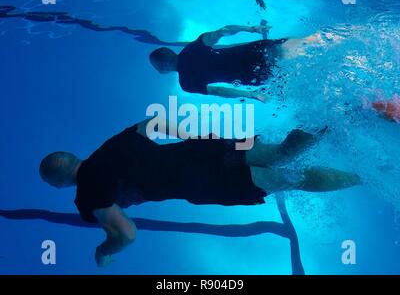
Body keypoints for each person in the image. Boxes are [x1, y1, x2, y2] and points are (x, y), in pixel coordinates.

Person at [39, 118, 361, 267]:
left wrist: (105, 250)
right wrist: (195, 136)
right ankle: (334, 118)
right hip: (205, 149)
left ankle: (361, 177)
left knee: (290, 179)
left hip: (204, 183)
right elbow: (152, 122)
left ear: (58, 182)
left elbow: (128, 233)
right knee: (281, 152)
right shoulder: (110, 144)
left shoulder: (86, 198)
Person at [149, 23, 328, 102]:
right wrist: (251, 29)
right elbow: (223, 31)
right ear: (171, 52)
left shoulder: (186, 84)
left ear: (163, 67)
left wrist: (251, 95)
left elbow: (219, 91)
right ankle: (340, 36)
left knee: (296, 71)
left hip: (252, 75)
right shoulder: (192, 48)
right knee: (309, 43)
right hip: (253, 51)